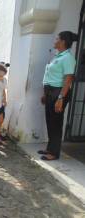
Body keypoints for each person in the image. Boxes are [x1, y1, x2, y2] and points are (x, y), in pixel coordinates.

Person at [39, 31, 78, 161]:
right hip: (50, 92)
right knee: (50, 121)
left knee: (56, 122)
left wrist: (60, 98)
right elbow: (50, 75)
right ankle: (50, 148)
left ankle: (54, 153)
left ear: (62, 42)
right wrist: (45, 94)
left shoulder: (68, 58)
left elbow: (68, 79)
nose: (55, 40)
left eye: (57, 38)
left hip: (59, 93)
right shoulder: (58, 56)